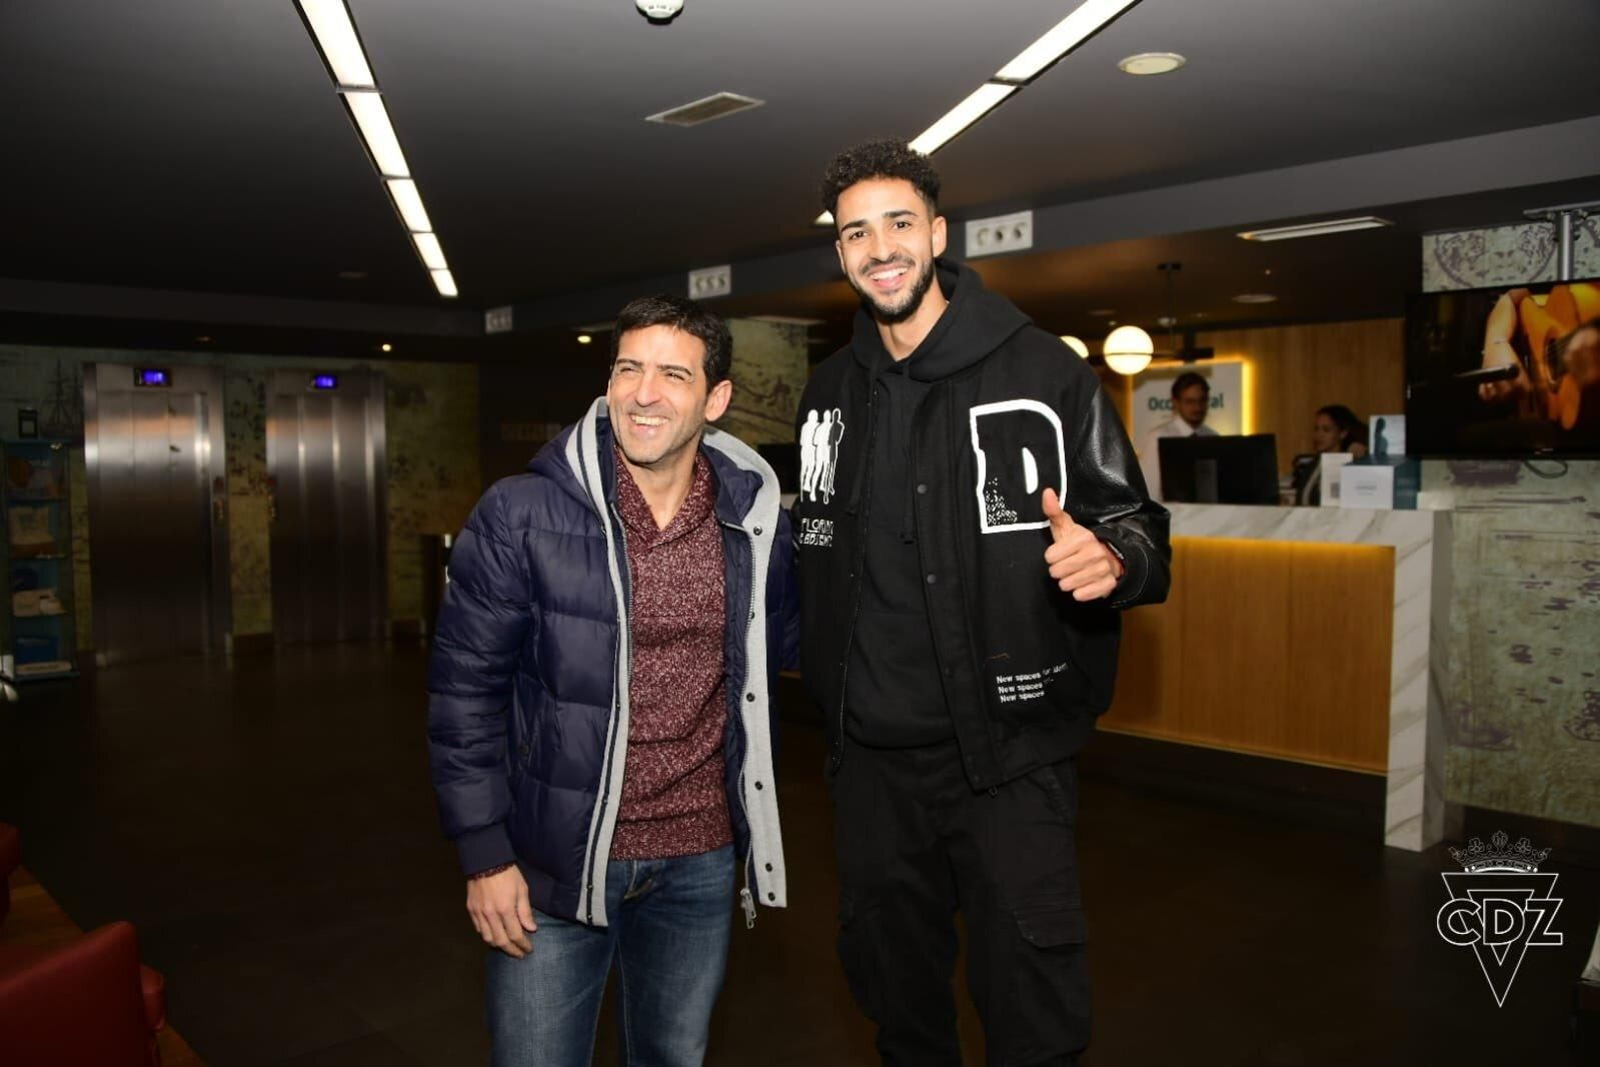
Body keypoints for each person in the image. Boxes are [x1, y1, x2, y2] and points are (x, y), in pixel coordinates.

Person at [794, 139, 1171, 1066]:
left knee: (1033, 1007)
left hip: (1006, 758)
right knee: (897, 999)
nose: (879, 247)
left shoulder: (1041, 370)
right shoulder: (829, 392)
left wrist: (1113, 557)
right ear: (839, 253)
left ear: (937, 232)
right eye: (856, 232)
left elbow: (1139, 526)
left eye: (897, 223)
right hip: (872, 766)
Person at [427, 294, 798, 1067]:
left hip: (699, 860)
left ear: (716, 399)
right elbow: (464, 696)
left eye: (672, 373)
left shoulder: (750, 517)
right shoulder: (521, 513)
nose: (644, 392)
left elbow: (792, 644)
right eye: (628, 368)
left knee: (672, 1056)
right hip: (554, 864)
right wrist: (485, 854)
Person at [1138, 370, 1217, 500]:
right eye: (1190, 401)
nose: (1197, 407)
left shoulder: (1213, 437)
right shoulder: (1159, 437)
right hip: (1172, 517)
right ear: (1175, 402)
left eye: (1202, 400)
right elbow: (1148, 488)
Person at [1291, 403, 1368, 506]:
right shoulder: (1313, 465)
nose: (1319, 435)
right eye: (1316, 429)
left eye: (1326, 430)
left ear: (1343, 433)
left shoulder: (1351, 464)